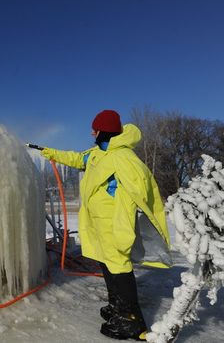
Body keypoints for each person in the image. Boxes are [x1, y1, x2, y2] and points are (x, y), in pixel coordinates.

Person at [41, 110, 171, 341]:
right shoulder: (97, 154)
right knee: (107, 262)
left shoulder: (123, 157)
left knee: (119, 266)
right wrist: (49, 152)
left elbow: (139, 188)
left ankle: (132, 321)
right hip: (98, 222)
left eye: (95, 128)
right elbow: (76, 158)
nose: (92, 132)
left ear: (103, 131)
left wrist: (124, 219)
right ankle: (117, 308)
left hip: (114, 222)